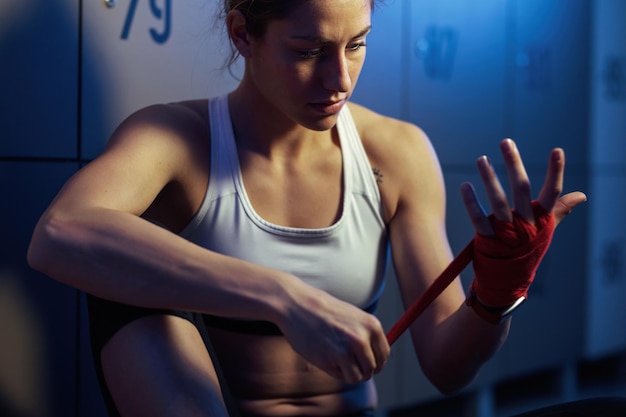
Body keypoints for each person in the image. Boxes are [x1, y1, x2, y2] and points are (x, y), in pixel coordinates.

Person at [27, 0, 586, 416]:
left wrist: (497, 296)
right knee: (117, 288)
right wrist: (282, 296)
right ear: (243, 33)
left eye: (356, 44)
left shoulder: (398, 152)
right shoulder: (177, 136)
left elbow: (446, 366)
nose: (339, 79)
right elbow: (59, 233)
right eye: (309, 51)